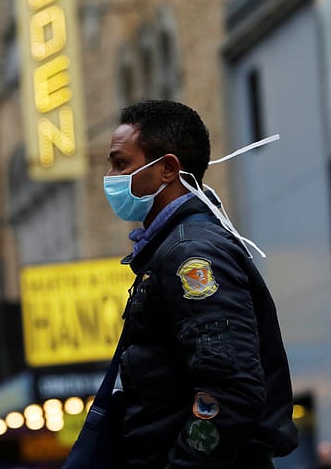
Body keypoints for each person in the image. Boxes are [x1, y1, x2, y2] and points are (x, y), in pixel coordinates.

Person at [103, 99, 297, 468]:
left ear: (167, 169)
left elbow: (231, 389)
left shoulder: (191, 254)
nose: (111, 178)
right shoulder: (169, 250)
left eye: (121, 164)